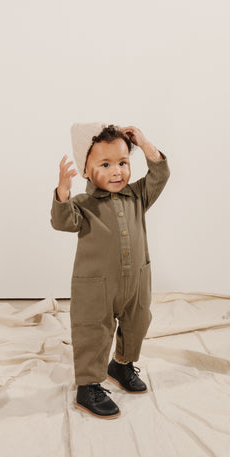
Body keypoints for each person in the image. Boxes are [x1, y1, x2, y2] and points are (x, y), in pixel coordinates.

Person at [50, 122, 170, 419]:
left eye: (122, 163)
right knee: (93, 331)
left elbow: (160, 174)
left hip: (137, 281)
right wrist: (63, 193)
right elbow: (63, 222)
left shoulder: (137, 196)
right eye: (106, 164)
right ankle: (88, 386)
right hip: (96, 287)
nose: (117, 171)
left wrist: (143, 143)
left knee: (138, 322)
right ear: (86, 170)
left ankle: (122, 364)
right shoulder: (84, 204)